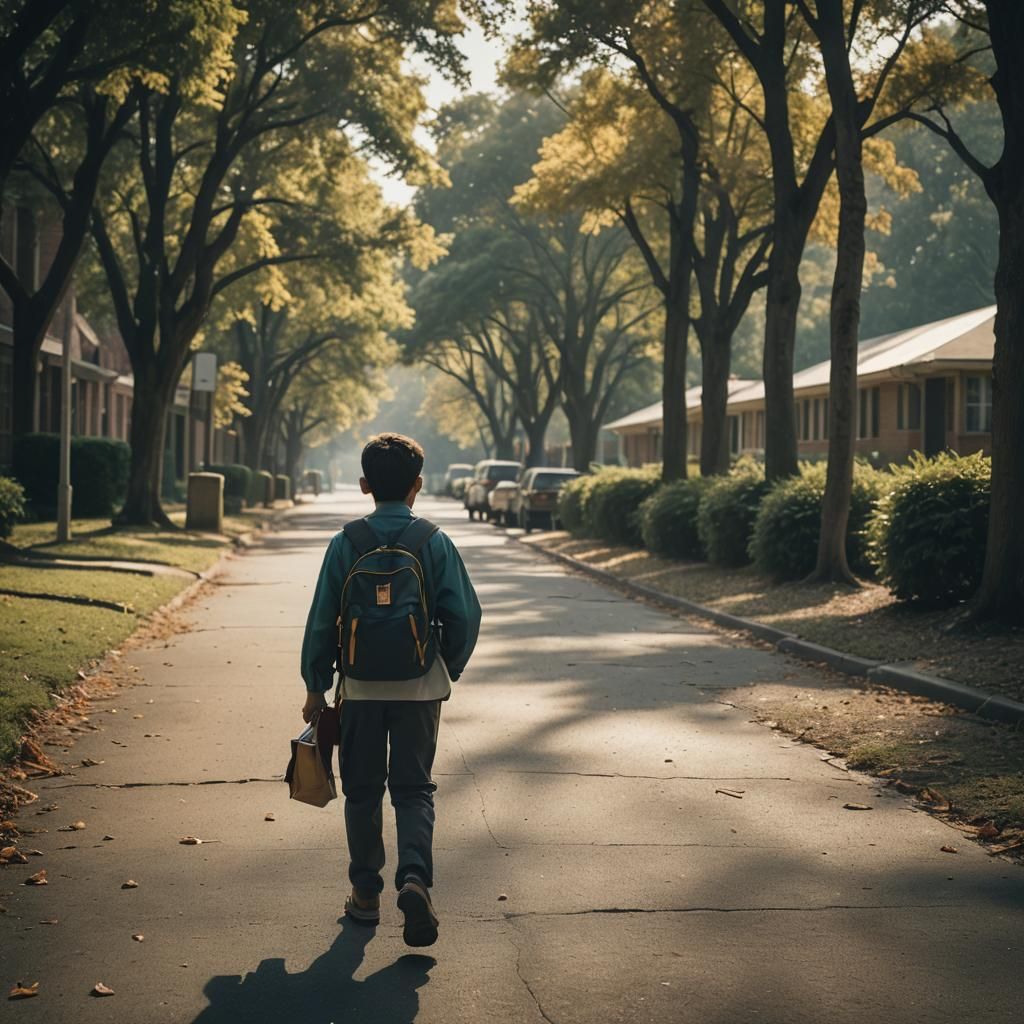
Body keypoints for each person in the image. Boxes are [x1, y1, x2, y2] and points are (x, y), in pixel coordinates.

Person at [300, 433, 481, 947]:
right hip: (420, 687)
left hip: (358, 688)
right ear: (417, 485)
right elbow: (465, 615)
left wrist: (317, 686)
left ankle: (365, 895)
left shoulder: (346, 543)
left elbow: (321, 620)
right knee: (414, 788)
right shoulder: (434, 541)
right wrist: (448, 666)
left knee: (362, 790)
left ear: (363, 485)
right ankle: (415, 879)